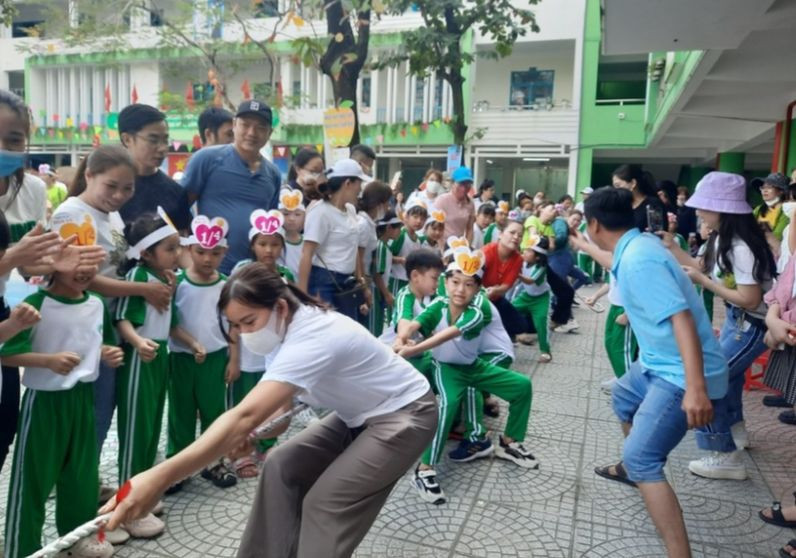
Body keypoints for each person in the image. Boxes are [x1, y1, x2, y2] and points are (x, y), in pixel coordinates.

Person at [100, 263, 437, 558]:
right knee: (279, 464)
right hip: (358, 415)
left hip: (405, 414)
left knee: (325, 503)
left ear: (278, 305)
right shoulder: (280, 333)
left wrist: (157, 478)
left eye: (249, 321)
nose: (245, 333)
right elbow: (276, 416)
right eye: (237, 326)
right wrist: (253, 433)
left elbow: (243, 416)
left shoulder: (314, 335)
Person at [585, 187, 728, 558]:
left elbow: (681, 319)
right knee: (622, 395)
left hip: (680, 374)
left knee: (642, 457)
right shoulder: (636, 246)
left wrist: (696, 390)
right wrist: (580, 245)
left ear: (594, 223)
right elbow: (611, 260)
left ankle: (678, 551)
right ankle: (636, 468)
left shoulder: (639, 260)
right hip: (654, 364)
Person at [54, 145, 173, 526]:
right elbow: (78, 277)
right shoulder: (71, 214)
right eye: (112, 186)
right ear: (88, 174)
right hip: (82, 330)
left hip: (111, 325)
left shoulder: (111, 215)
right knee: (92, 415)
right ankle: (80, 500)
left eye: (127, 188)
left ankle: (94, 488)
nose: (119, 195)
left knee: (106, 414)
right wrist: (142, 291)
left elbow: (125, 266)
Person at [0, 89, 106, 474]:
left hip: (6, 312)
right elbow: (12, 259)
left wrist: (55, 264)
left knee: (3, 426)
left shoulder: (29, 190)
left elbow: (28, 269)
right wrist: (11, 259)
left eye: (14, 138)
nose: (4, 148)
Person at [2, 235, 123, 558]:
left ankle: (77, 536)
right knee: (34, 479)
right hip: (44, 401)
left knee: (81, 473)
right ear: (56, 262)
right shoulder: (36, 302)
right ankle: (21, 546)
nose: (85, 270)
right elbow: (8, 354)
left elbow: (95, 343)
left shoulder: (96, 303)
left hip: (83, 400)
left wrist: (106, 353)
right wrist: (48, 361)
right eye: (77, 261)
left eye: (91, 262)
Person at [395, 250, 537, 505]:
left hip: (474, 367)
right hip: (446, 368)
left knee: (522, 386)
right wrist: (402, 337)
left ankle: (509, 441)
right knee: (448, 403)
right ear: (445, 283)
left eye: (469, 284)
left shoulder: (477, 312)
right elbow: (417, 323)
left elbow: (447, 334)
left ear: (477, 289)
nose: (461, 289)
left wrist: (412, 348)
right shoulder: (438, 304)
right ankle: (424, 469)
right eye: (455, 282)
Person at [664, 172, 774, 481]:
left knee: (709, 379)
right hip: (738, 322)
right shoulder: (722, 238)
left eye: (704, 207)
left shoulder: (740, 247)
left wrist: (704, 282)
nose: (697, 212)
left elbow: (750, 300)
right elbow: (699, 267)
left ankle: (724, 454)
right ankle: (735, 433)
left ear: (722, 210)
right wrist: (672, 246)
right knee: (728, 378)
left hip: (750, 325)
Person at [114, 211, 182, 539]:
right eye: (170, 248)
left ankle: (142, 494)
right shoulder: (139, 277)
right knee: (135, 433)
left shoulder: (163, 277)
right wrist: (138, 342)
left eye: (177, 247)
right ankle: (126, 506)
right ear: (145, 252)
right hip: (142, 358)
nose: (177, 254)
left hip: (161, 355)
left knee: (152, 427)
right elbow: (122, 318)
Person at [167, 215, 238, 490]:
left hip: (216, 358)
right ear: (188, 250)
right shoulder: (178, 284)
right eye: (200, 251)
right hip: (182, 359)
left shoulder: (226, 285)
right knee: (180, 412)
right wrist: (190, 344)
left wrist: (234, 358)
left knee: (214, 412)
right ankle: (178, 466)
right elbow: (170, 324)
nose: (208, 259)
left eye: (215, 253)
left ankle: (214, 462)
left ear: (225, 252)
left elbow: (233, 323)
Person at [181, 99, 282, 274]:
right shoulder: (206, 159)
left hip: (252, 274)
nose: (252, 133)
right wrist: (190, 264)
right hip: (210, 271)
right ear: (234, 125)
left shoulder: (273, 174)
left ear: (270, 133)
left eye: (260, 127)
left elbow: (269, 229)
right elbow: (179, 209)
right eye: (245, 125)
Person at [298, 158, 371, 320]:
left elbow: (354, 249)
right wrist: (302, 297)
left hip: (347, 283)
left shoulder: (351, 210)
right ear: (348, 183)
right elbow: (307, 254)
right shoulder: (320, 212)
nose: (360, 189)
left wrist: (362, 284)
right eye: (359, 183)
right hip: (323, 282)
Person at [116, 104, 193, 231]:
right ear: (127, 139)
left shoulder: (175, 192)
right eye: (153, 140)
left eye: (165, 140)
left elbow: (183, 240)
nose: (163, 148)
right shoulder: (109, 188)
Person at [480, 220, 530, 340]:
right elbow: (473, 280)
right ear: (501, 234)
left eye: (520, 235)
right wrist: (484, 293)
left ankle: (505, 337)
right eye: (512, 232)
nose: (516, 237)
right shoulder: (486, 252)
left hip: (495, 297)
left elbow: (507, 286)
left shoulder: (518, 259)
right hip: (479, 299)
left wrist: (494, 291)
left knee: (522, 325)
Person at [357, 180, 393, 332]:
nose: (387, 208)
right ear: (378, 204)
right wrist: (364, 286)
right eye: (386, 203)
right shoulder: (363, 224)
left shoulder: (370, 223)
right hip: (361, 280)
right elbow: (358, 258)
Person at [513, 237, 552, 362]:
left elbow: (530, 281)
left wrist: (516, 273)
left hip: (541, 299)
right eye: (526, 249)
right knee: (509, 311)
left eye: (529, 251)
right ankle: (513, 336)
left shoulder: (541, 267)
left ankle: (545, 352)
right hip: (526, 296)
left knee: (541, 323)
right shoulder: (522, 261)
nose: (525, 252)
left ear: (538, 257)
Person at [387, 200, 428, 298]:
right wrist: (400, 260)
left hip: (409, 281)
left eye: (422, 219)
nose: (419, 221)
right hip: (397, 280)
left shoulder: (418, 239)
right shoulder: (400, 235)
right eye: (415, 217)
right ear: (406, 216)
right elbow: (386, 255)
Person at [611, 164, 666, 232]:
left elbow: (658, 232)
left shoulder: (653, 204)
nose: (615, 190)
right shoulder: (620, 205)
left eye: (618, 185)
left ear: (633, 183)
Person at [435, 166, 476, 242]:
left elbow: (470, 229)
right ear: (453, 183)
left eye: (468, 184)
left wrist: (466, 247)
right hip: (442, 243)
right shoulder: (442, 200)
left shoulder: (470, 204)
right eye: (461, 184)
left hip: (458, 245)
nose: (464, 188)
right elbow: (435, 227)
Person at [752, 172, 790, 250]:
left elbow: (778, 235)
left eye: (769, 187)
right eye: (762, 187)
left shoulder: (787, 210)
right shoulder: (758, 209)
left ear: (781, 191)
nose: (764, 190)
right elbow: (747, 226)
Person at [277, 188, 306, 279]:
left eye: (297, 214)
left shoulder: (307, 242)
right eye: (286, 214)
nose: (292, 218)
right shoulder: (276, 242)